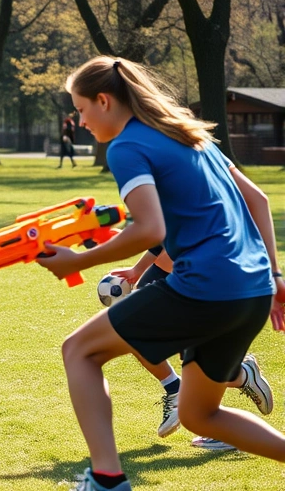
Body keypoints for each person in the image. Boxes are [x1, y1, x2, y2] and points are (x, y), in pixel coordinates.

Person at [37, 56, 285, 491]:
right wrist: (277, 279)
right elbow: (259, 201)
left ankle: (106, 480)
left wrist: (76, 261)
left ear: (104, 100)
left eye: (81, 108)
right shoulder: (191, 136)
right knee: (197, 414)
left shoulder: (128, 146)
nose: (79, 121)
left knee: (79, 351)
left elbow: (150, 228)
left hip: (205, 288)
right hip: (253, 289)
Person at [110, 246, 273, 447]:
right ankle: (227, 381)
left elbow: (156, 227)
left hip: (192, 268)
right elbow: (159, 229)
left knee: (195, 356)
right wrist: (138, 268)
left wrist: (84, 258)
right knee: (136, 331)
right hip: (175, 267)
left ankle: (223, 415)